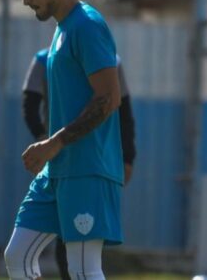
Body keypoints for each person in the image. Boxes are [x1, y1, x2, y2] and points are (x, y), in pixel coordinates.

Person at [4, 0, 124, 280]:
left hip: (86, 169)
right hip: (58, 171)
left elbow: (108, 99)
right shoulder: (62, 30)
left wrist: (53, 142)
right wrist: (53, 150)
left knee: (84, 269)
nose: (25, 0)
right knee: (18, 256)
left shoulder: (86, 25)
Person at [22, 48, 137, 280]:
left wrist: (128, 157)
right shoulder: (45, 59)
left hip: (93, 160)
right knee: (54, 238)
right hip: (56, 159)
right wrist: (42, 139)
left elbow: (123, 111)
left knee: (81, 244)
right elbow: (30, 103)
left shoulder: (110, 61)